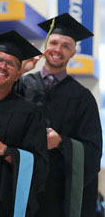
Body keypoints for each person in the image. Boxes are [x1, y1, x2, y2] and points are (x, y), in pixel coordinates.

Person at [17, 13, 102, 217]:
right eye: (54, 42)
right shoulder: (22, 85)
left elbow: (93, 151)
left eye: (66, 45)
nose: (58, 50)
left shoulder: (83, 98)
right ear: (45, 45)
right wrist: (19, 71)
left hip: (59, 196)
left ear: (73, 52)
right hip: (22, 188)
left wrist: (61, 143)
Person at [0, 30, 49, 217]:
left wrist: (5, 151)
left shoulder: (31, 112)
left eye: (10, 63)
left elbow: (40, 166)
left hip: (8, 202)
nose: (2, 66)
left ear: (19, 73)